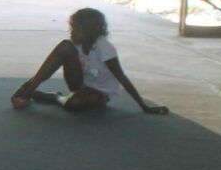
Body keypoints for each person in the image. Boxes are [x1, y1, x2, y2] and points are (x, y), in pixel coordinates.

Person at [11, 7, 168, 114]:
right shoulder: (74, 44)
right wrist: (29, 86)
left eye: (76, 30)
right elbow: (51, 66)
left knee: (74, 105)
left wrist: (144, 106)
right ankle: (30, 91)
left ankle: (55, 97)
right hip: (79, 84)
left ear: (90, 32)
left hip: (99, 94)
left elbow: (121, 77)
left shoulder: (104, 47)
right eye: (71, 28)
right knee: (64, 46)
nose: (72, 33)